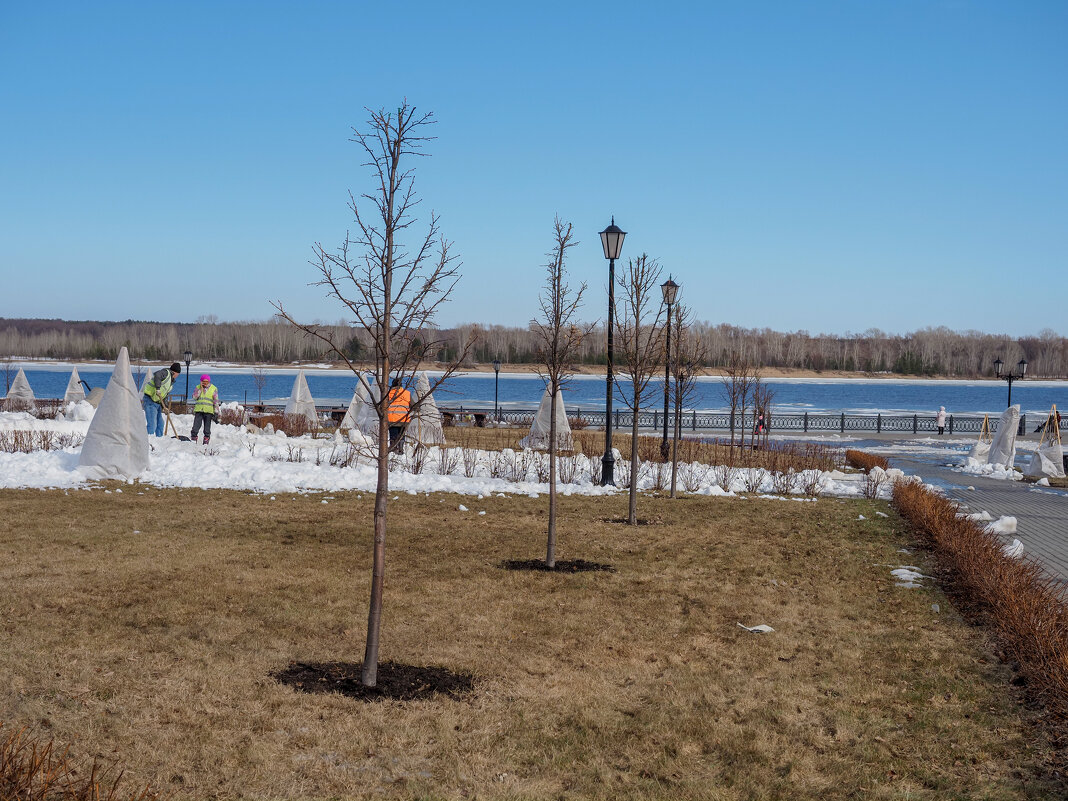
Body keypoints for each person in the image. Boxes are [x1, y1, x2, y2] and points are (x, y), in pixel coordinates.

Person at [142, 362, 181, 437]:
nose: (177, 376)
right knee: (152, 424)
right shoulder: (166, 373)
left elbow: (165, 396)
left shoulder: (171, 383)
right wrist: (158, 388)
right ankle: (148, 441)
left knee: (160, 423)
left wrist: (165, 407)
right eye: (178, 374)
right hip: (150, 400)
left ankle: (159, 440)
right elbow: (157, 375)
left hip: (158, 403)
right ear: (176, 372)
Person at [190, 374, 220, 444]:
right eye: (203, 381)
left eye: (206, 382)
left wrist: (216, 411)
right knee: (196, 426)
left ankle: (206, 439)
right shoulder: (198, 387)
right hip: (199, 410)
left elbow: (216, 400)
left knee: (207, 427)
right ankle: (194, 438)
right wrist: (200, 389)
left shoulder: (213, 388)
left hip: (208, 411)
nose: (205, 383)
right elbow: (194, 397)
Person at [386, 377, 411, 450]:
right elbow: (413, 405)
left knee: (393, 435)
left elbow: (383, 406)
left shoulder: (388, 394)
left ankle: (393, 449)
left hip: (392, 419)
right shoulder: (407, 393)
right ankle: (401, 449)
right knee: (401, 435)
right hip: (404, 419)